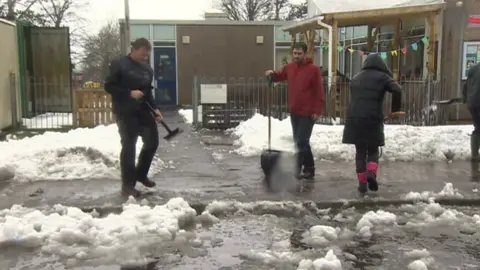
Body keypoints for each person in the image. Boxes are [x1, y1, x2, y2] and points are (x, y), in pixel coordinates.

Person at [104, 38, 163, 197]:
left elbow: (147, 92)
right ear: (134, 49)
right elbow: (109, 86)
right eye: (143, 52)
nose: (145, 56)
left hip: (143, 111)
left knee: (152, 142)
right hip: (125, 112)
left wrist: (155, 108)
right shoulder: (120, 64)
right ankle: (127, 186)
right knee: (129, 147)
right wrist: (129, 93)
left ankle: (141, 174)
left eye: (147, 53)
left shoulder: (147, 69)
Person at [264, 42, 326, 180]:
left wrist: (317, 110)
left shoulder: (313, 70)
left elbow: (319, 92)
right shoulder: (290, 68)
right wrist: (272, 74)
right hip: (294, 111)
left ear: (305, 54)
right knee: (300, 141)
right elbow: (279, 75)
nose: (296, 56)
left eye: (299, 53)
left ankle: (297, 169)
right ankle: (309, 168)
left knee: (301, 141)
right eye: (295, 53)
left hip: (308, 112)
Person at [342, 54, 402, 193]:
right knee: (373, 149)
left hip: (354, 118)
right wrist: (395, 110)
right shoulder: (383, 77)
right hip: (373, 118)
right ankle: (371, 174)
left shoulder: (356, 78)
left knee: (360, 151)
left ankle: (362, 185)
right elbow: (397, 89)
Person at [463, 62, 480, 161]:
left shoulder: (473, 69)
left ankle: (474, 154)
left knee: (478, 127)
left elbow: (465, 86)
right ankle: (474, 154)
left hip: (472, 103)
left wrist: (466, 99)